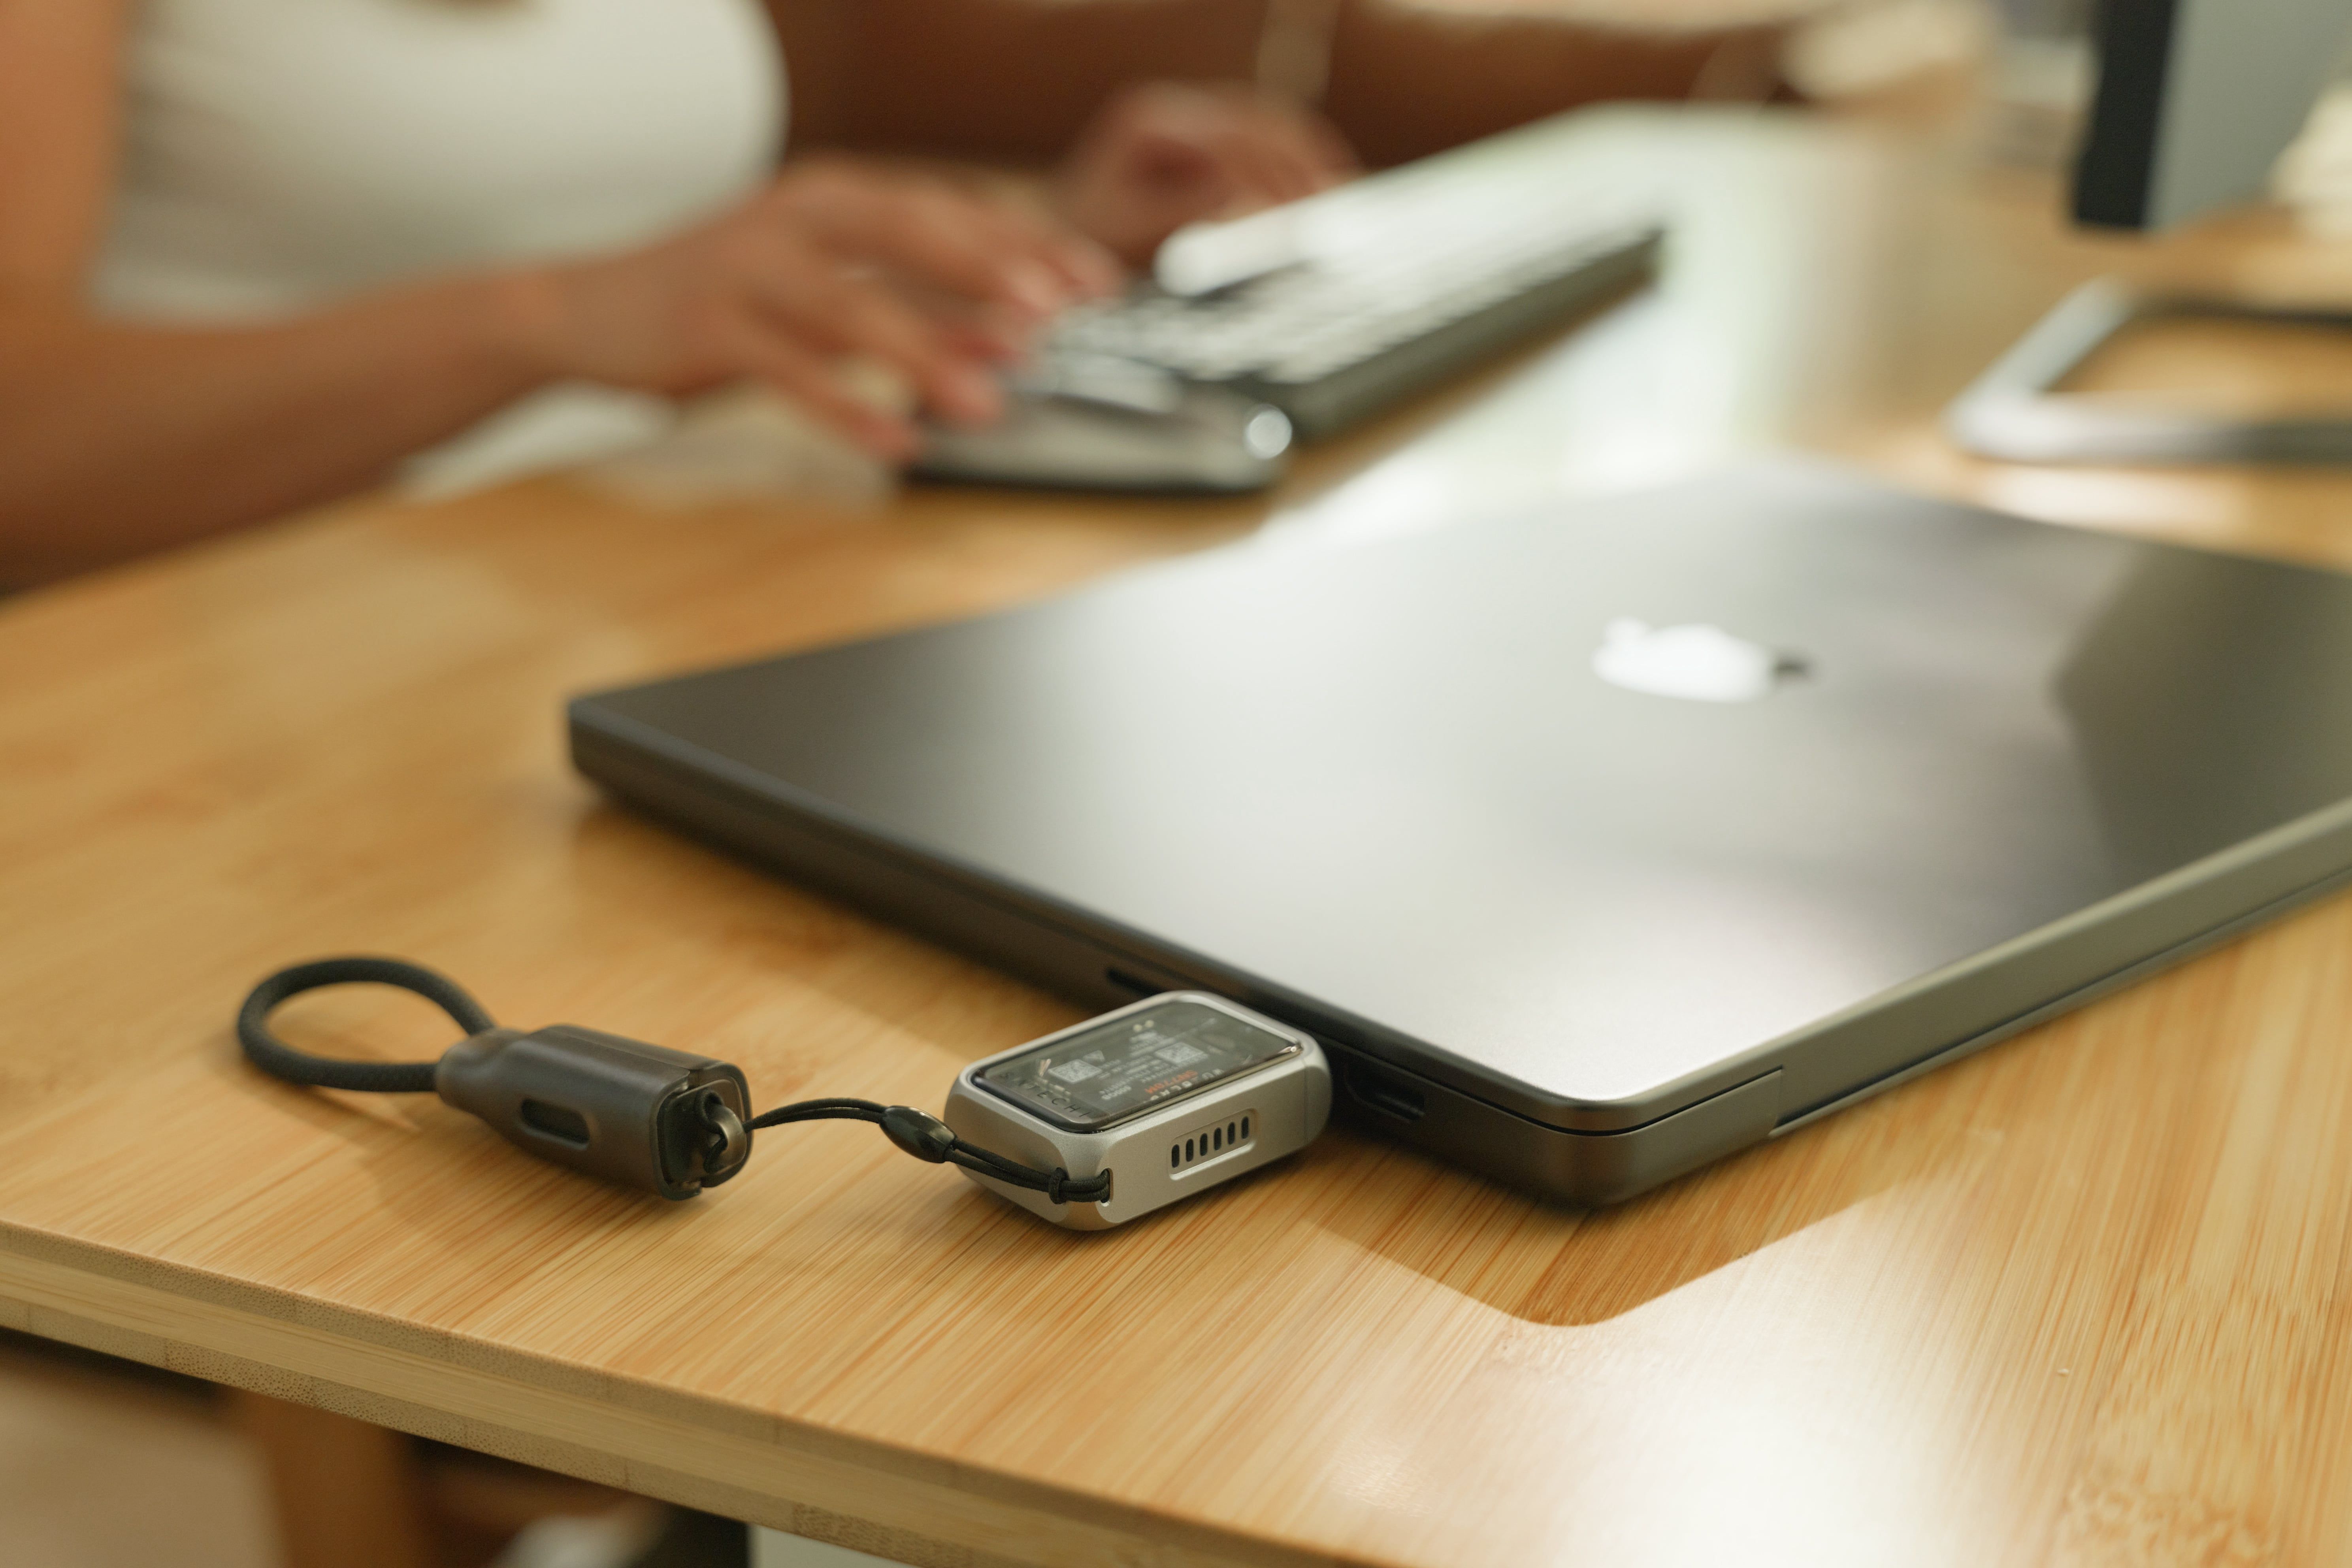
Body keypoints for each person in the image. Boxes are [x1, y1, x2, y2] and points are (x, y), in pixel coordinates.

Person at [0, 0, 1783, 586]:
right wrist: (544, 322)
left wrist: (1045, 236)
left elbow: (663, 256)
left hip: (634, 564)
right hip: (244, 689)